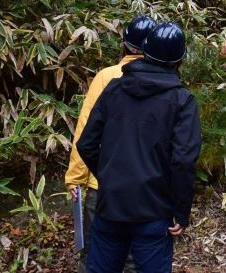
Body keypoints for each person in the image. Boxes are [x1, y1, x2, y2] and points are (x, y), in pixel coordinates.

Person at [77, 21, 202, 273]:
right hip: (154, 210)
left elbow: (87, 142)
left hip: (111, 205)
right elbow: (182, 160)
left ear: (144, 52)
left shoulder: (114, 88)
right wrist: (180, 211)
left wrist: (109, 176)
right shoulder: (182, 101)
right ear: (179, 62)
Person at [65, 15, 156, 273]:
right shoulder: (166, 83)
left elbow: (86, 133)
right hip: (147, 190)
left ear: (124, 45)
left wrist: (76, 178)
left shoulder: (107, 77)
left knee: (96, 255)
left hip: (104, 185)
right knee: (134, 260)